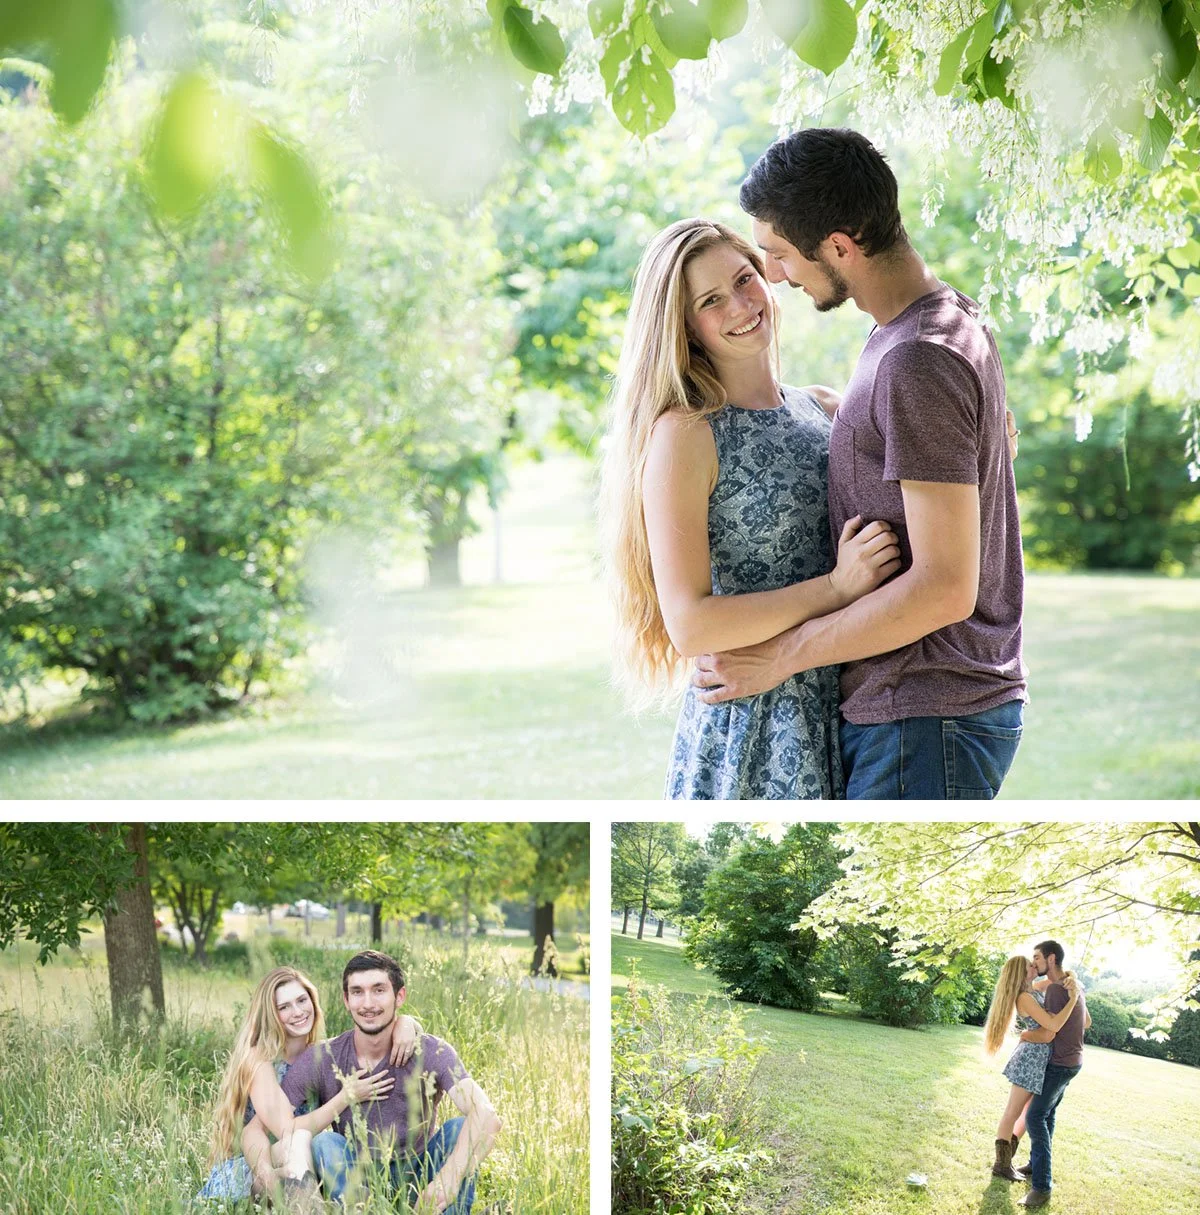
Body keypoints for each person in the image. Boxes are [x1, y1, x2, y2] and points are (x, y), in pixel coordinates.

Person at [694, 127, 1028, 799]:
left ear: (839, 245)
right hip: (925, 713)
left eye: (782, 255)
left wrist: (781, 657)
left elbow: (943, 587)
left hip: (926, 713)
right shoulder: (930, 327)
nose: (778, 276)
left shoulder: (916, 356)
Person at [599, 216, 901, 798]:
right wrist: (836, 589)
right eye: (711, 300)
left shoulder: (821, 409)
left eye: (744, 279)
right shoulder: (686, 434)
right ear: (685, 328)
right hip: (757, 721)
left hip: (849, 705)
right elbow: (690, 624)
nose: (741, 305)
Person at [280, 950, 502, 1210]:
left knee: (458, 1129)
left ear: (400, 996)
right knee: (325, 1143)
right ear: (346, 1000)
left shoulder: (431, 1051)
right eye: (357, 992)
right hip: (358, 1178)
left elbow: (487, 1116)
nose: (368, 1003)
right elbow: (279, 1125)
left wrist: (448, 1179)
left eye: (378, 990)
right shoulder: (323, 1057)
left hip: (420, 1173)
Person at [197, 964, 418, 1204]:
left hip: (302, 1163)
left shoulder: (320, 1055)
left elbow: (368, 1036)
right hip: (252, 1170)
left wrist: (406, 1023)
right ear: (271, 1014)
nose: (298, 1011)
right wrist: (345, 1097)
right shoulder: (259, 1060)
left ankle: (314, 1200)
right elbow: (286, 1131)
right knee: (301, 1140)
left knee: (318, 1152)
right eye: (284, 1007)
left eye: (302, 1000)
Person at [982, 954, 1081, 1186]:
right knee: (1013, 1112)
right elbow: (1052, 1028)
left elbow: (1060, 976)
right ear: (1021, 972)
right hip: (1030, 1060)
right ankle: (1002, 1165)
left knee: (1029, 1113)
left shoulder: (1033, 988)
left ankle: (1009, 1158)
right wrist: (1073, 999)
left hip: (1040, 1059)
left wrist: (1073, 978)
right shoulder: (1025, 997)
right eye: (1030, 965)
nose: (1034, 965)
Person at [1016, 940, 1091, 1208]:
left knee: (1035, 1116)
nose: (1033, 962)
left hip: (1060, 1064)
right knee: (1047, 1115)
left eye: (1036, 957)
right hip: (1073, 1061)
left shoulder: (1058, 991)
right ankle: (1036, 1166)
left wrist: (1023, 1034)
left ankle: (1042, 1186)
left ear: (1050, 958)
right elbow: (1087, 1021)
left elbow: (1049, 1030)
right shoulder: (1072, 987)